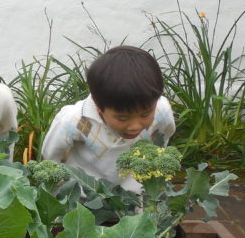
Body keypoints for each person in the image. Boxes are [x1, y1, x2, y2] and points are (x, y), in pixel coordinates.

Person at [40, 45, 175, 192]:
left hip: (131, 194)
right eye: (122, 118)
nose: (135, 126)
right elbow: (51, 155)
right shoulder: (75, 120)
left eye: (145, 115)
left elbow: (162, 139)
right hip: (81, 192)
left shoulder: (161, 111)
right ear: (98, 107)